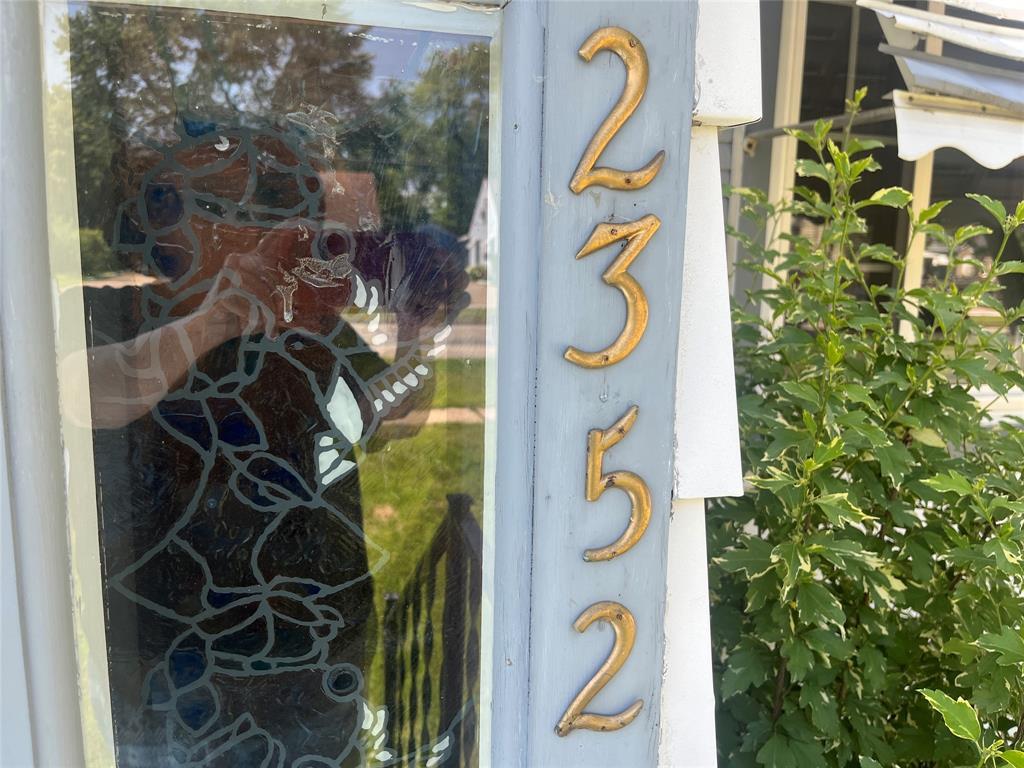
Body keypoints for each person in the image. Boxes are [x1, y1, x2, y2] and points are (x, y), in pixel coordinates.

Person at [69, 117, 468, 766]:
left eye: (280, 208)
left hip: (319, 650)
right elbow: (76, 395)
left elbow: (390, 421)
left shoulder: (308, 326)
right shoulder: (104, 313)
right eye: (229, 206)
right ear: (160, 218)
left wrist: (416, 328)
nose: (262, 229)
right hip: (168, 667)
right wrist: (215, 321)